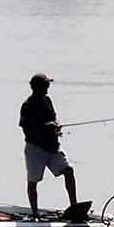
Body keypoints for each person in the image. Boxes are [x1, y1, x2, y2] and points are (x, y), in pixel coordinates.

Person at [19, 73, 77, 213]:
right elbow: (26, 129)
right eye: (45, 84)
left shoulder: (48, 100)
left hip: (53, 147)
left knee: (68, 171)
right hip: (35, 149)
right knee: (33, 182)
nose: (48, 86)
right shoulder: (28, 105)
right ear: (36, 87)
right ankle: (35, 213)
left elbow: (54, 117)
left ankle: (74, 207)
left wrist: (56, 126)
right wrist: (46, 127)